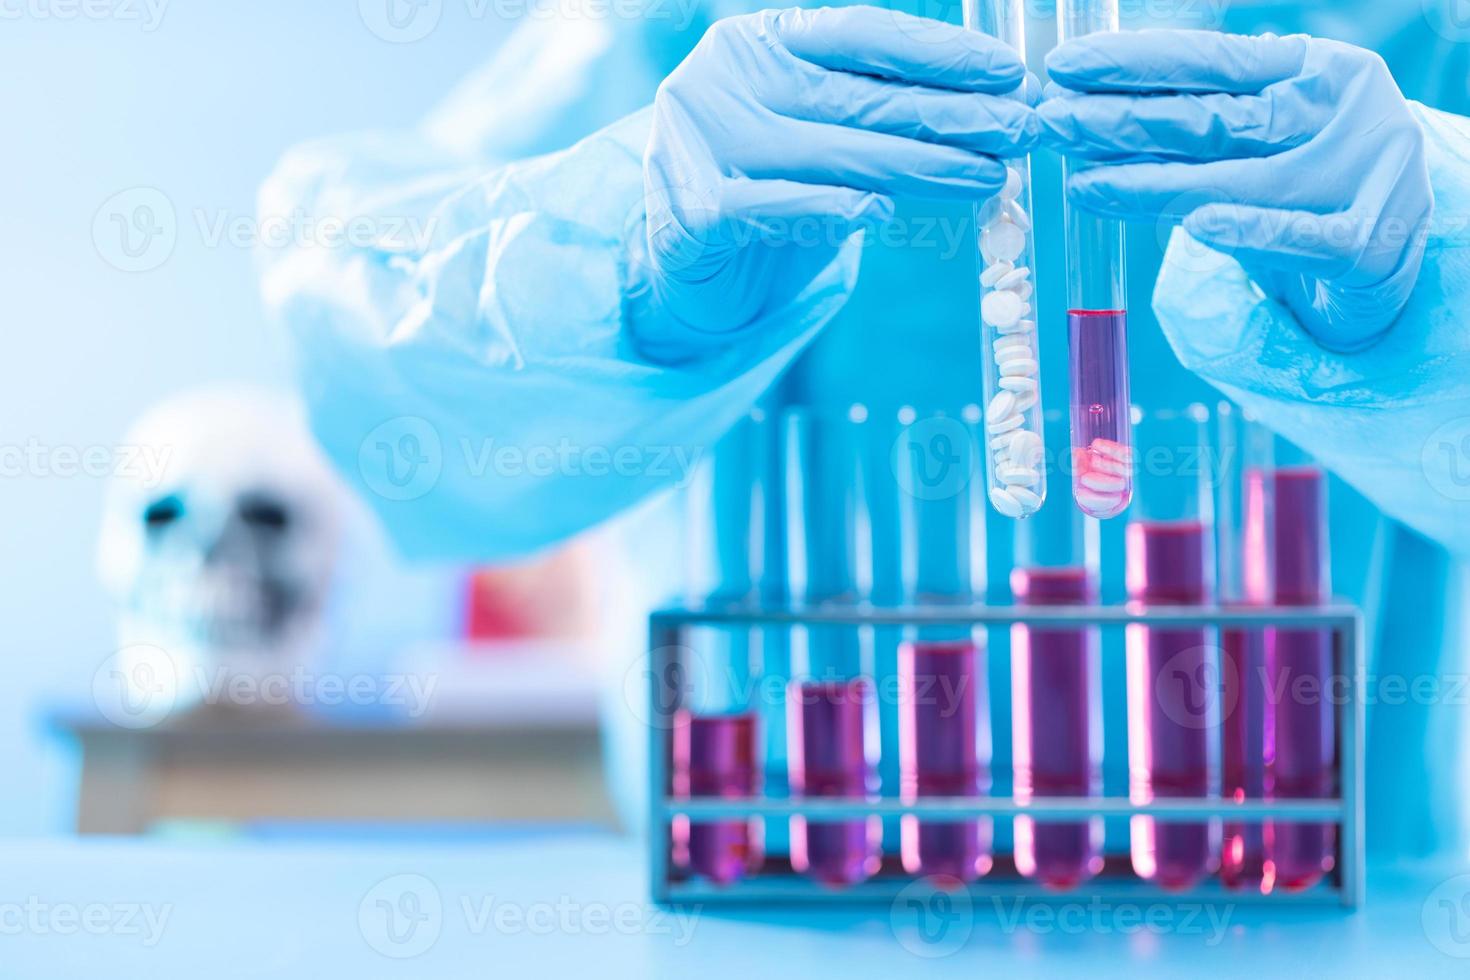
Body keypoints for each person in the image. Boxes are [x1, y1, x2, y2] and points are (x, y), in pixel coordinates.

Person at [258, 1, 1470, 858]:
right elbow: (368, 342)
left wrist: (1435, 261)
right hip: (777, 874)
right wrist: (622, 259)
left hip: (1304, 893)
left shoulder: (1410, 28)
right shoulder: (681, 26)